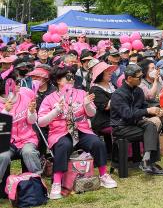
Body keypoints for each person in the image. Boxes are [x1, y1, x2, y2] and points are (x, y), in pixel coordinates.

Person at [38, 66, 117, 199]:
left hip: (81, 129)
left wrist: (86, 104)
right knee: (64, 146)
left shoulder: (81, 93)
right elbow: (41, 122)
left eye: (72, 76)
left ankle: (103, 175)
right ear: (58, 80)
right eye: (67, 77)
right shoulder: (49, 98)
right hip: (60, 132)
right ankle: (57, 182)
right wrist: (56, 111)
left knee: (97, 143)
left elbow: (92, 113)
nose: (71, 79)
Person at [110, 64, 163, 175]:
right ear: (129, 78)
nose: (141, 79)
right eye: (139, 78)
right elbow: (127, 114)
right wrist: (148, 111)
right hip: (121, 127)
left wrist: (157, 111)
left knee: (151, 126)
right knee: (151, 131)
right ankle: (149, 163)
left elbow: (144, 107)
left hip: (134, 124)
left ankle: (146, 161)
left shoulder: (138, 91)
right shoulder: (118, 94)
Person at [0, 70, 42, 177]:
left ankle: (37, 180)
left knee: (29, 152)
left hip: (27, 139)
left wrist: (31, 112)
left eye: (18, 80)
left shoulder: (25, 97)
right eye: (15, 82)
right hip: (6, 141)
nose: (19, 83)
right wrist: (5, 112)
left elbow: (32, 121)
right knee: (2, 156)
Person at [88, 62, 118, 137]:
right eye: (107, 71)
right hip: (104, 121)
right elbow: (106, 106)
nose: (110, 73)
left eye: (110, 71)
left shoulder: (112, 85)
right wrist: (120, 96)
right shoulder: (95, 89)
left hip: (116, 117)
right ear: (100, 74)